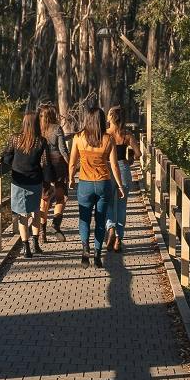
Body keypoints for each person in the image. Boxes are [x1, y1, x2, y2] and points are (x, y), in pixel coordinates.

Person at [69, 107, 124, 267]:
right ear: (101, 120)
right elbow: (114, 166)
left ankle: (85, 247)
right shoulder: (108, 139)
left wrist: (71, 179)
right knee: (100, 220)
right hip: (103, 184)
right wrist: (120, 186)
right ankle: (97, 254)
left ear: (87, 119)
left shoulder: (78, 137)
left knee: (84, 218)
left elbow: (72, 162)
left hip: (85, 183)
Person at [3, 110, 48, 256]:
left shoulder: (15, 139)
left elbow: (7, 156)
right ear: (36, 124)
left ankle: (26, 247)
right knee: (35, 211)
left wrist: (13, 163)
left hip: (19, 181)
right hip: (35, 180)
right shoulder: (41, 141)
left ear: (24, 122)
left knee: (22, 214)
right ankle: (36, 243)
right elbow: (45, 163)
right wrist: (48, 182)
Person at [104, 106, 136, 253]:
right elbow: (139, 153)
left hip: (107, 170)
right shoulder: (126, 135)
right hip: (123, 169)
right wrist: (130, 160)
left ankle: (110, 226)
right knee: (122, 206)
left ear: (111, 117)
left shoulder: (105, 134)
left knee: (109, 203)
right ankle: (118, 239)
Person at [39, 104, 70, 239]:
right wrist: (71, 166)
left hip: (43, 166)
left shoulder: (37, 130)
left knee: (44, 199)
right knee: (60, 197)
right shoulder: (57, 128)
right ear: (53, 115)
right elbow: (63, 150)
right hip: (58, 166)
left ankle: (42, 231)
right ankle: (56, 224)